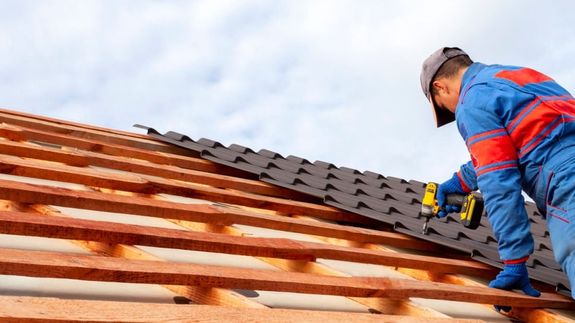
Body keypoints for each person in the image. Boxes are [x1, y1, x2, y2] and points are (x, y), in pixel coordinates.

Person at [419, 47, 575, 306]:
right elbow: (516, 144)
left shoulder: (472, 102)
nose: (455, 112)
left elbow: (499, 182)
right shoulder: (516, 75)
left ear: (440, 88)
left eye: (445, 108)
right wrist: (460, 182)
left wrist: (514, 261)